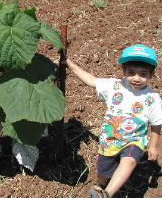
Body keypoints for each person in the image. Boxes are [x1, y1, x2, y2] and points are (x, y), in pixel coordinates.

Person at [64, 44, 162, 198]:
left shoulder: (153, 98)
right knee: (103, 170)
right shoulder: (115, 86)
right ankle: (101, 184)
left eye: (143, 74)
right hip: (110, 139)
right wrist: (69, 64)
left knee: (129, 161)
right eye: (131, 73)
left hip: (133, 140)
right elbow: (92, 80)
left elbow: (156, 124)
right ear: (123, 71)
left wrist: (154, 146)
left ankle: (107, 194)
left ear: (152, 75)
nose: (136, 78)